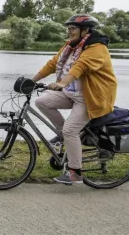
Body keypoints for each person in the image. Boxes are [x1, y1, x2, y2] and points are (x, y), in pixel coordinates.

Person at [29, 14, 117, 185]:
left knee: (70, 130)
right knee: (42, 102)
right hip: (72, 92)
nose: (69, 32)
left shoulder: (97, 47)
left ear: (85, 30)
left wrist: (62, 83)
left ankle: (75, 172)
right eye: (68, 28)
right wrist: (31, 81)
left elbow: (81, 66)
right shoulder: (70, 46)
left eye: (73, 28)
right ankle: (63, 136)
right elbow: (53, 64)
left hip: (91, 97)